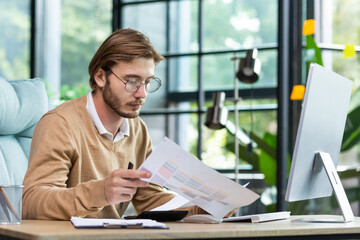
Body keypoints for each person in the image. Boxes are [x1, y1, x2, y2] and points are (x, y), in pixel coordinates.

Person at [22, 28, 208, 220]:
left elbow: (150, 198)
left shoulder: (137, 128)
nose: (142, 93)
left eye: (148, 82)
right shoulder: (61, 124)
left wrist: (203, 208)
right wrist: (100, 191)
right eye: (132, 81)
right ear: (100, 77)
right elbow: (31, 202)